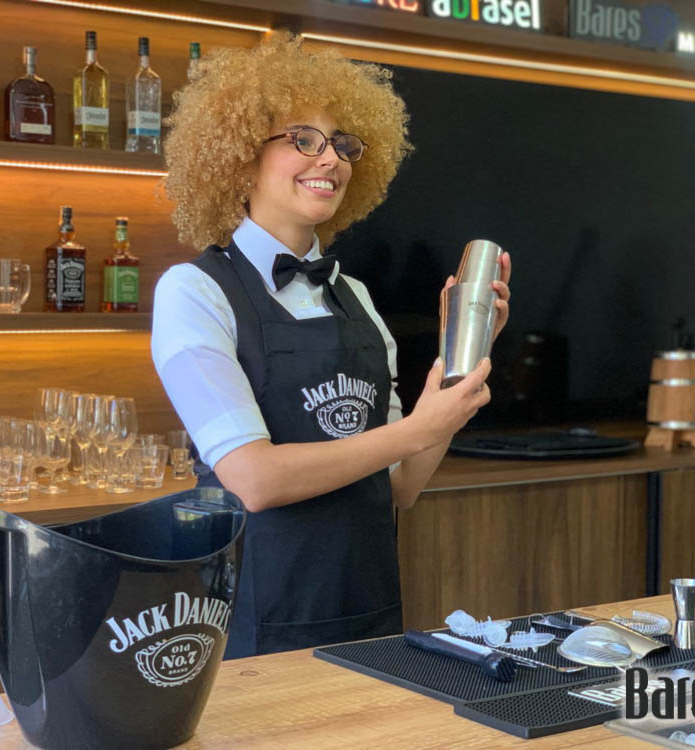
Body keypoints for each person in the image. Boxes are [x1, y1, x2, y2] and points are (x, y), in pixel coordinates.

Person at [152, 33, 511, 659]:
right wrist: (417, 429)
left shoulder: (358, 298)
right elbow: (253, 480)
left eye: (342, 144)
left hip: (370, 615)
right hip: (255, 630)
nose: (331, 160)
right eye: (303, 140)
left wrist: (459, 366)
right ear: (240, 158)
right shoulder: (194, 292)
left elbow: (400, 486)